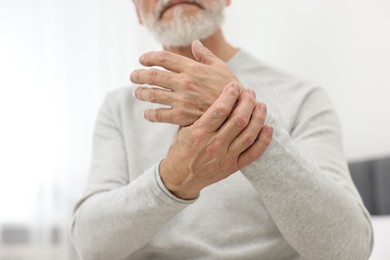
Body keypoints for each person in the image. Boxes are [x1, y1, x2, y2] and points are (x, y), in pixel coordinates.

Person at [71, 0, 374, 259]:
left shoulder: (303, 98)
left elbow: (349, 248)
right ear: (138, 10)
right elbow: (89, 243)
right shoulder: (118, 108)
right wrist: (170, 180)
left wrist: (239, 113)